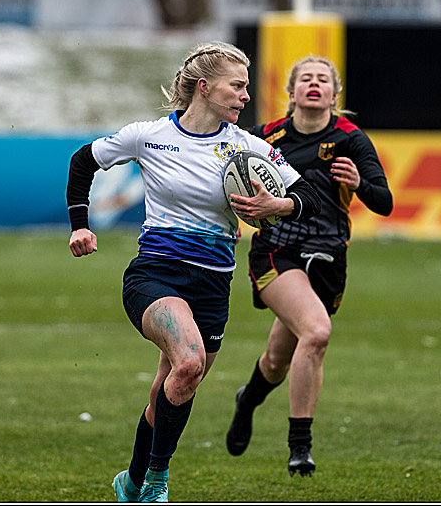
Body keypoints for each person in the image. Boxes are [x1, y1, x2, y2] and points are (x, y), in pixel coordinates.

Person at [66, 41, 322, 502]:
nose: (246, 96)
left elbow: (310, 198)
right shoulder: (149, 136)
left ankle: (131, 478)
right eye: (238, 86)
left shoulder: (247, 147)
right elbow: (83, 160)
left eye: (246, 87)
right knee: (188, 364)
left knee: (172, 388)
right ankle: (156, 482)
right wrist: (79, 226)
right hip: (156, 275)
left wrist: (275, 204)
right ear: (204, 87)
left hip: (212, 285)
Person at [223, 55, 393, 477]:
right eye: (306, 79)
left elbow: (384, 202)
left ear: (335, 94)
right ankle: (300, 446)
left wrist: (360, 183)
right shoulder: (265, 137)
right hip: (276, 252)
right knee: (316, 334)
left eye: (323, 80)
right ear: (291, 92)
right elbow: (220, 171)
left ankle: (248, 400)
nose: (314, 85)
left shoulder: (352, 140)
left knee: (280, 358)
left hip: (329, 258)